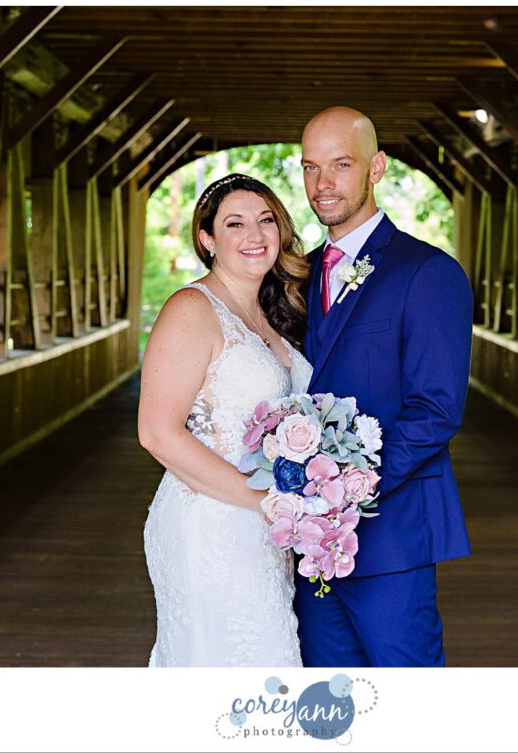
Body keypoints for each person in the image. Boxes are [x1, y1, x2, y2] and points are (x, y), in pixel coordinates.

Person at [295, 106, 474, 667]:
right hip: (305, 544)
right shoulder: (296, 277)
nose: (322, 185)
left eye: (340, 165)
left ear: (377, 167)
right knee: (329, 709)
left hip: (391, 535)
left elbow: (436, 410)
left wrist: (345, 491)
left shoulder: (428, 272)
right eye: (309, 168)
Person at [138, 174, 312, 667]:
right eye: (234, 223)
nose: (254, 236)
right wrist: (264, 499)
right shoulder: (191, 308)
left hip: (262, 527)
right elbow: (156, 431)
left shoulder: (272, 312)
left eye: (265, 221)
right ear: (207, 239)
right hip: (210, 524)